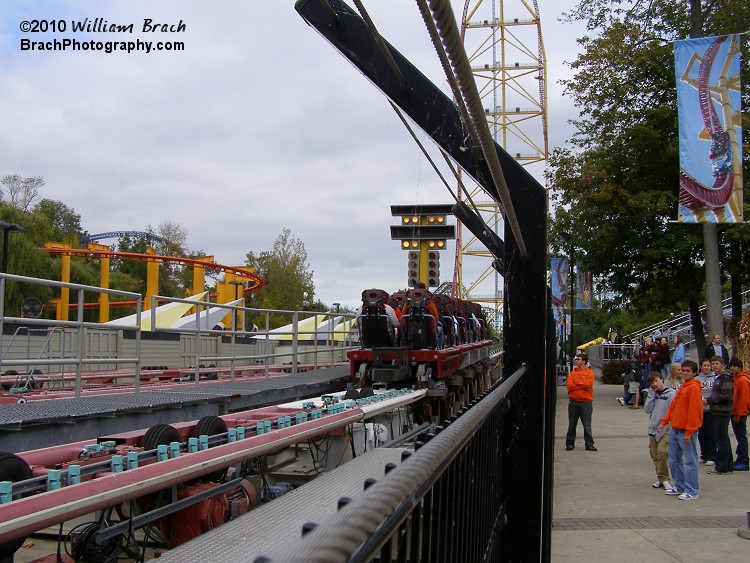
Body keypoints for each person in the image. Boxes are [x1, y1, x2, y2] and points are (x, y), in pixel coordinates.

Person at [657, 360, 703, 500]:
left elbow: (694, 411)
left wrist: (689, 431)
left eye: (688, 371)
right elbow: (674, 407)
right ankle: (680, 486)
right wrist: (664, 421)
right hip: (675, 429)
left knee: (689, 461)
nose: (684, 373)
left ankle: (692, 490)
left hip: (685, 431)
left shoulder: (693, 388)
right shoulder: (683, 387)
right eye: (683, 370)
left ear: (694, 373)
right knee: (674, 460)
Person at [644, 371, 676, 492]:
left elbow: (672, 411)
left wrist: (666, 424)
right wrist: (651, 395)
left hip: (666, 428)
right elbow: (647, 410)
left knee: (662, 452)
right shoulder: (653, 394)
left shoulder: (671, 394)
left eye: (656, 380)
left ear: (662, 379)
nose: (654, 384)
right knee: (654, 454)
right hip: (653, 428)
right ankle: (661, 478)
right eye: (652, 382)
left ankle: (665, 479)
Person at [706, 356, 734, 475]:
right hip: (717, 411)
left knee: (721, 440)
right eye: (713, 364)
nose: (714, 366)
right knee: (723, 439)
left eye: (717, 363)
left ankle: (722, 467)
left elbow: (726, 396)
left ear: (723, 364)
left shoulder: (725, 378)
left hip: (722, 412)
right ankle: (727, 465)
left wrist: (709, 399)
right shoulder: (719, 377)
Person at [565, 353, 597, 451]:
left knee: (587, 425)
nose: (576, 361)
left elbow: (588, 385)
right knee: (572, 424)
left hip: (585, 402)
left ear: (584, 361)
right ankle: (570, 443)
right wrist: (581, 385)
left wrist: (576, 383)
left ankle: (589, 444)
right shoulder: (573, 373)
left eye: (578, 359)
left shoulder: (589, 373)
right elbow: (569, 386)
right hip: (574, 401)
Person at [729, 358, 750, 472]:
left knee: (741, 437)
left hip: (740, 413)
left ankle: (744, 461)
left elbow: (744, 399)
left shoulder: (742, 380)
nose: (732, 368)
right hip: (735, 411)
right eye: (731, 366)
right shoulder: (735, 378)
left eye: (735, 366)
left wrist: (739, 414)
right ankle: (740, 458)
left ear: (739, 367)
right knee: (738, 436)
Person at [695, 359, 716, 466]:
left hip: (711, 410)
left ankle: (712, 456)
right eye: (705, 365)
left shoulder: (715, 378)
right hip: (700, 410)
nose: (707, 367)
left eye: (708, 365)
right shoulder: (697, 379)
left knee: (710, 433)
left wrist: (708, 400)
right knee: (701, 434)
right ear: (701, 366)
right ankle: (704, 455)